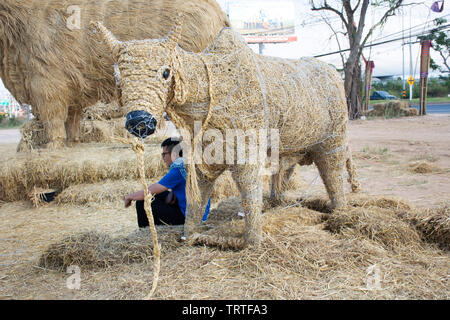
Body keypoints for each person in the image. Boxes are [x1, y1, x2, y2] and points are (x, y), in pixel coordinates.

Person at [124, 137, 211, 228]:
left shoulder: (178, 169)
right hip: (200, 216)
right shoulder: (189, 164)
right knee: (159, 195)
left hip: (189, 220)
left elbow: (148, 192)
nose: (163, 158)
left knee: (142, 202)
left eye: (164, 154)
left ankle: (146, 233)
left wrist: (129, 197)